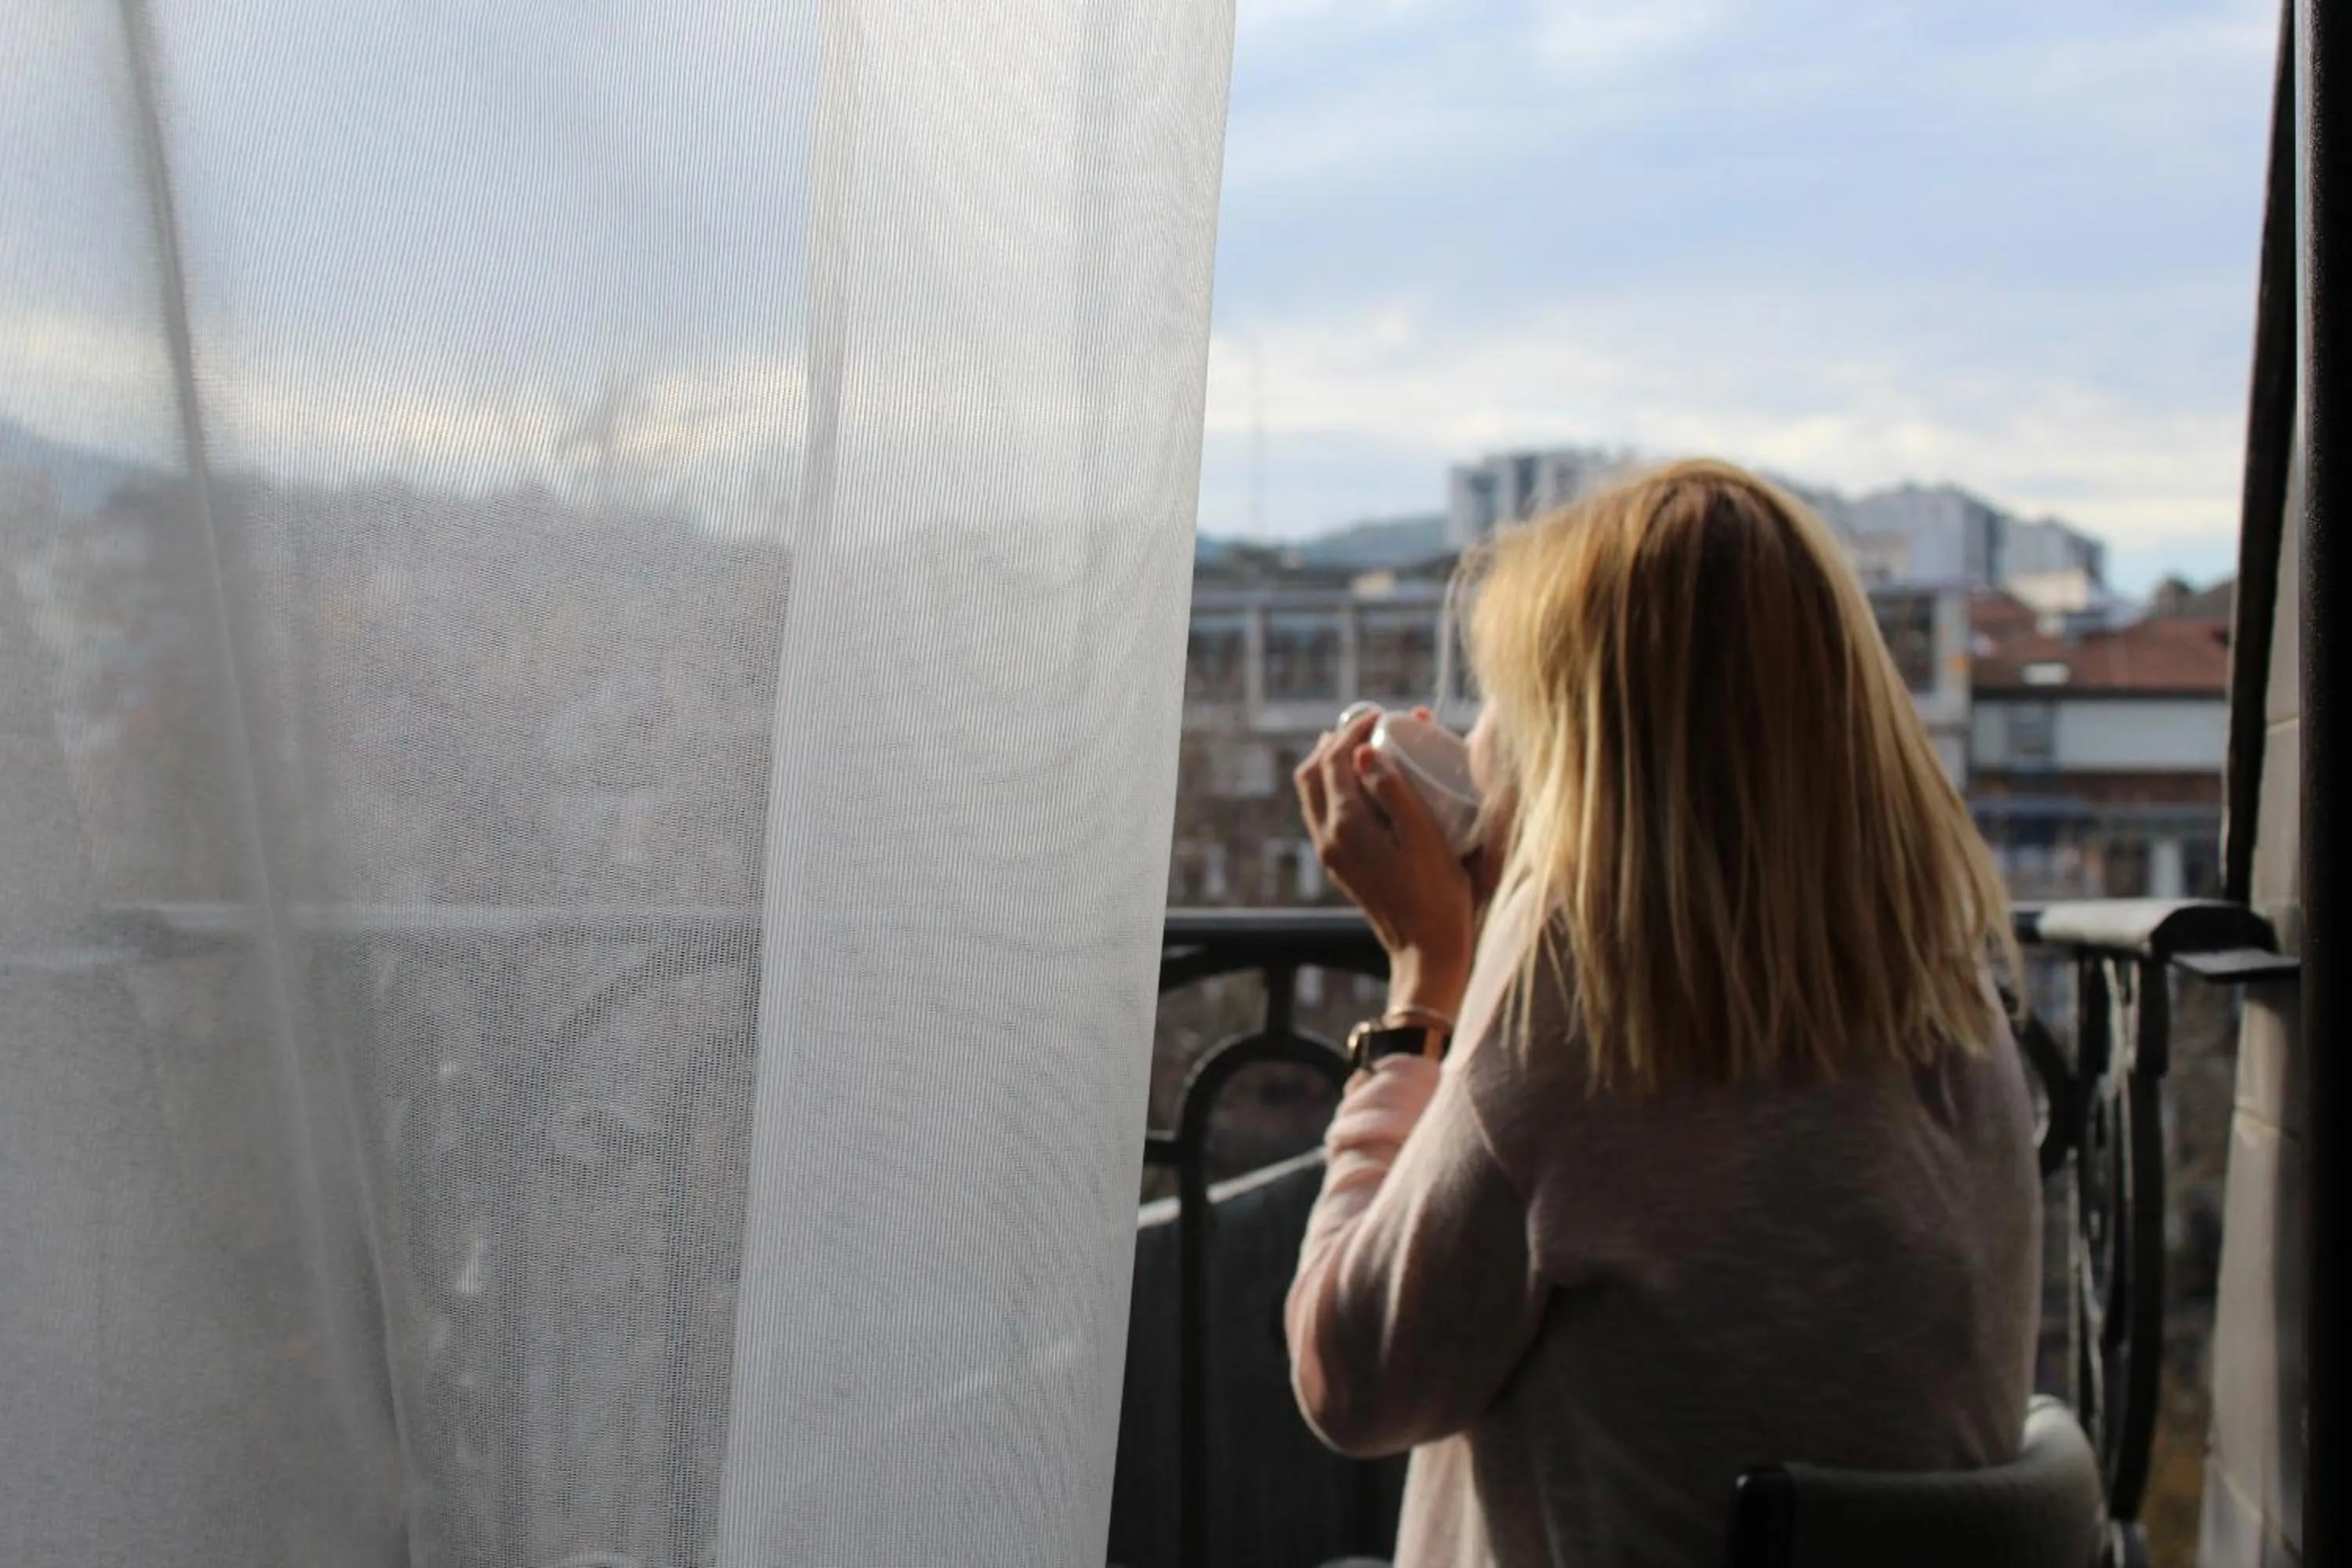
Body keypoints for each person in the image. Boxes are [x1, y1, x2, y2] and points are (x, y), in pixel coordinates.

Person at [1285, 458, 2042, 1568]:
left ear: (1583, 741)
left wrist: (1426, 983)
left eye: (1508, 697)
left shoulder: (1579, 1012)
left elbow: (1351, 1381)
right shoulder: (1943, 988)